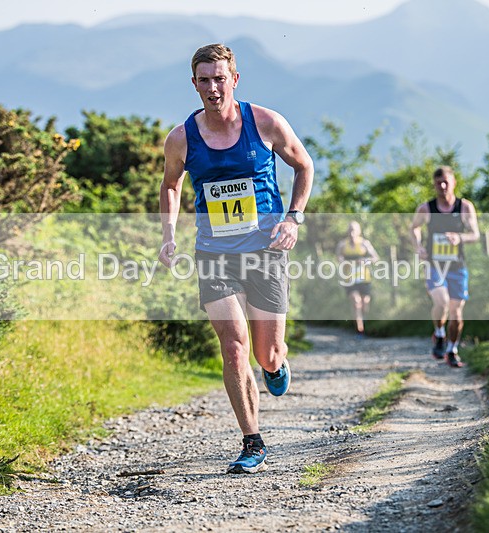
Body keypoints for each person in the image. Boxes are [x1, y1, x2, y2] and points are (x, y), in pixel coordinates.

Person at [158, 44, 314, 474]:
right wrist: (169, 234)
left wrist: (293, 219)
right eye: (204, 80)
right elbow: (171, 185)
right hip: (214, 255)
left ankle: (275, 364)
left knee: (266, 353)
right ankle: (252, 440)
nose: (212, 88)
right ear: (194, 84)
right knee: (233, 346)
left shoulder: (265, 122)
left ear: (235, 80)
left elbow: (304, 166)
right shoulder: (182, 138)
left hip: (266, 252)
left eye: (219, 78)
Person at [410, 166, 480, 367]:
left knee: (456, 313)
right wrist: (419, 247)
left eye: (446, 182)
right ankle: (439, 333)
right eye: (438, 183)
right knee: (441, 302)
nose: (442, 186)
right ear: (434, 185)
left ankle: (452, 350)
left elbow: (475, 234)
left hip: (457, 266)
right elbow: (414, 227)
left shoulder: (465, 207)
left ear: (454, 183)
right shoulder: (426, 208)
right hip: (435, 265)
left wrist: (460, 237)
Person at [335, 221, 379, 338]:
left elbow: (375, 257)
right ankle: (360, 330)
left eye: (354, 230)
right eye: (350, 230)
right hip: (350, 278)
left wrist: (365, 261)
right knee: (356, 301)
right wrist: (342, 261)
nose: (352, 232)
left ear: (359, 231)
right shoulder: (342, 245)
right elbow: (338, 257)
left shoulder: (365, 243)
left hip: (364, 278)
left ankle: (364, 322)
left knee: (365, 304)